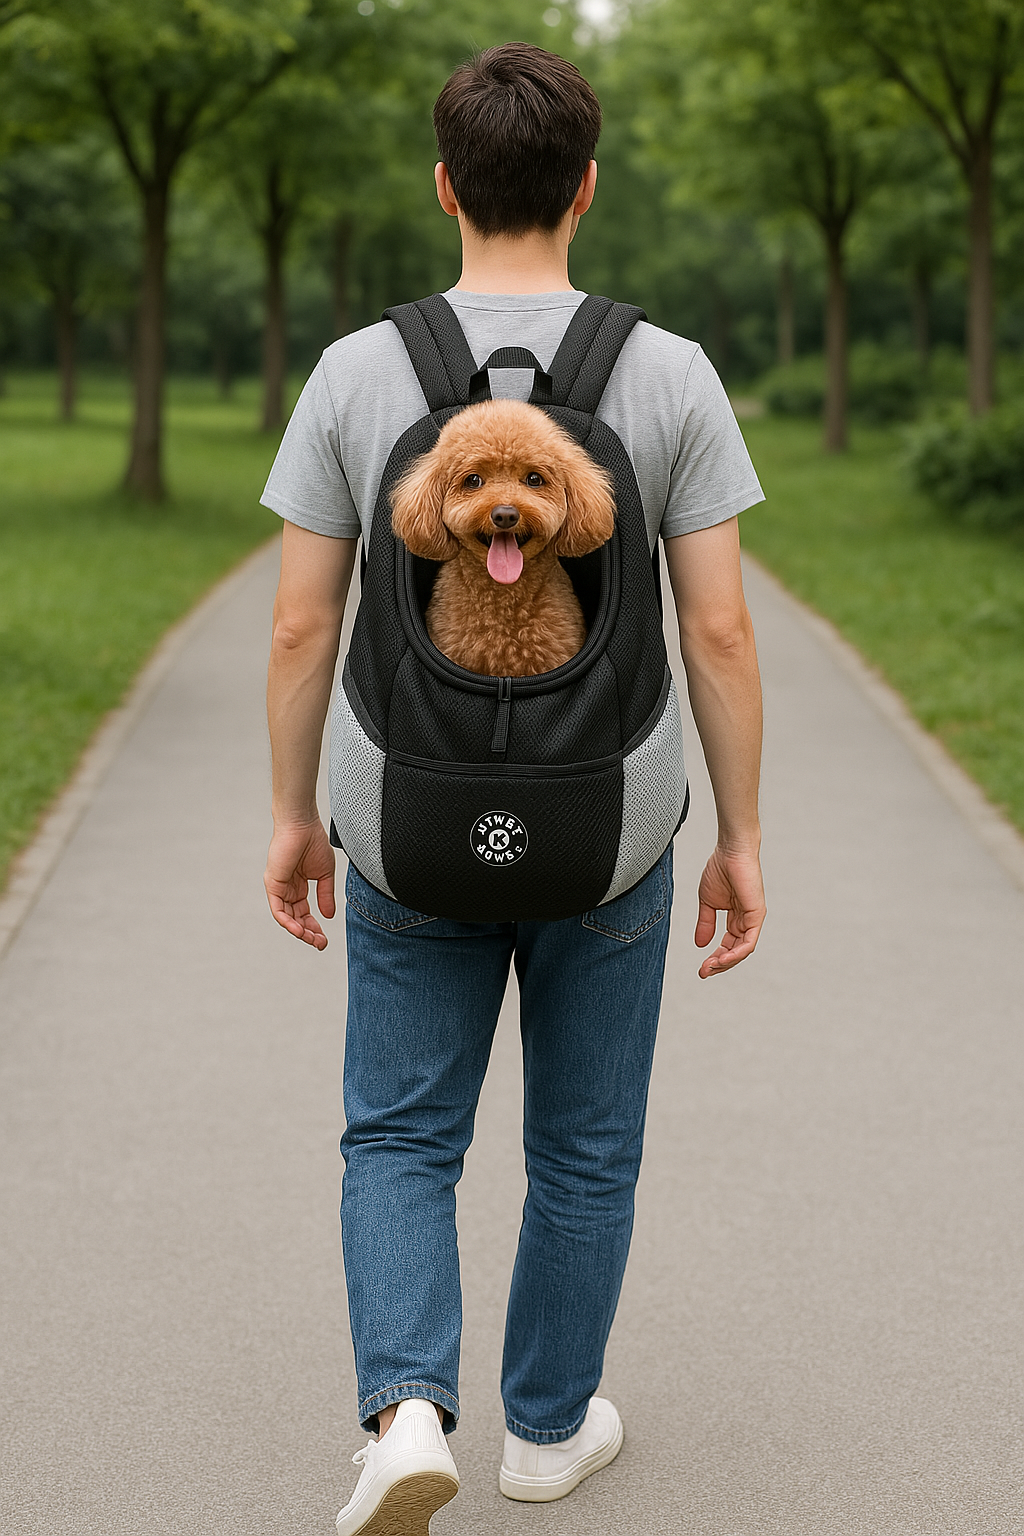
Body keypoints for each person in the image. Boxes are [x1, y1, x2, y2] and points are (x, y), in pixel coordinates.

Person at [260, 41, 766, 1536]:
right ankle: (547, 1432)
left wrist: (297, 818)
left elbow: (301, 622)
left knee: (402, 1133)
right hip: (611, 834)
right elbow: (721, 630)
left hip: (406, 830)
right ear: (589, 189)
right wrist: (741, 836)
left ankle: (408, 1412)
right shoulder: (670, 372)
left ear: (442, 188)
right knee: (585, 1144)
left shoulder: (358, 370)